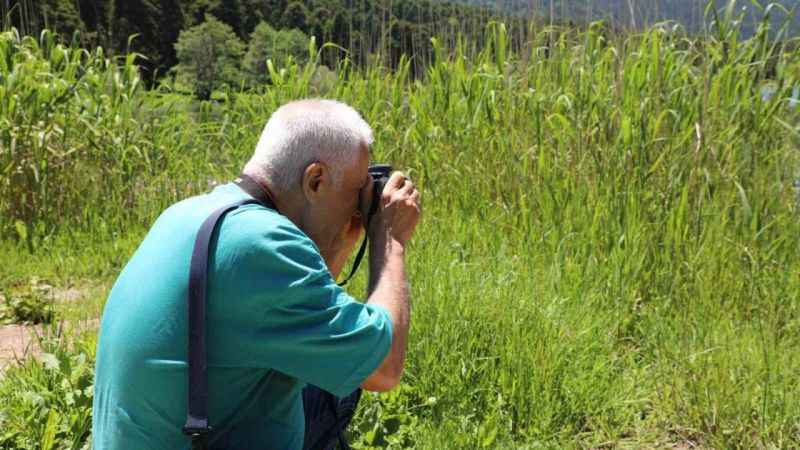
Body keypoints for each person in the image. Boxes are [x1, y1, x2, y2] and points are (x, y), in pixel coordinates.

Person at [92, 99, 421, 449]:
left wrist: (342, 239)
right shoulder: (263, 245)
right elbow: (382, 368)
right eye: (357, 190)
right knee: (344, 375)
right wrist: (390, 241)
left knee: (329, 368)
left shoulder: (194, 212)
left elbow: (310, 313)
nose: (361, 203)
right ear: (316, 180)